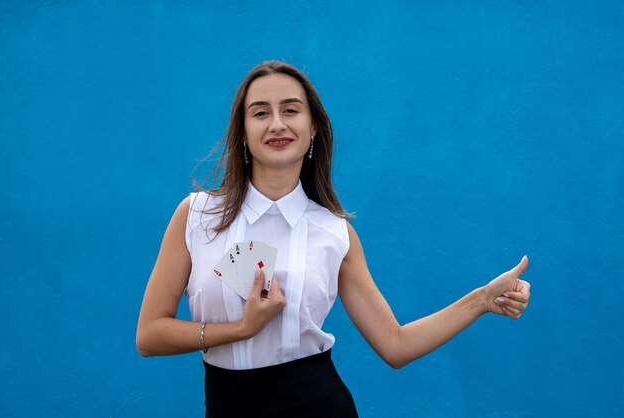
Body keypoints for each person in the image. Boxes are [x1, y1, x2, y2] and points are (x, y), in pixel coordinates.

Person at [136, 60, 531, 418]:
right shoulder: (197, 215)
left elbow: (395, 345)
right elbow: (149, 334)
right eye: (260, 113)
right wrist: (241, 329)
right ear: (242, 132)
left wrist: (481, 300)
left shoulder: (335, 231)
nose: (276, 124)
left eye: (290, 110)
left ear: (313, 130)